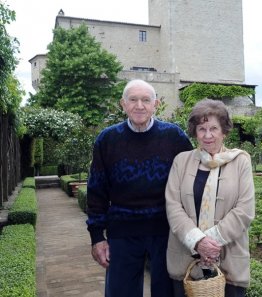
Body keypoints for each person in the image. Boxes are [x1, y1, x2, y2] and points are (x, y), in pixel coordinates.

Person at [86, 79, 193, 297]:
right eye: (133, 100)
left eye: (146, 100)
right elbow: (96, 191)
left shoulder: (174, 137)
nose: (139, 105)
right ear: (122, 104)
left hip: (166, 232)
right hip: (122, 233)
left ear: (156, 104)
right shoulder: (107, 140)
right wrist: (97, 237)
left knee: (167, 293)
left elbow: (191, 181)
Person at [165, 99, 255, 297]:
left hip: (229, 262)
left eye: (213, 128)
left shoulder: (241, 161)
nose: (207, 135)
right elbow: (173, 206)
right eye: (201, 128)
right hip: (185, 261)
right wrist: (197, 241)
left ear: (224, 131)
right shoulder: (181, 161)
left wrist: (209, 243)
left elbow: (245, 210)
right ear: (194, 132)